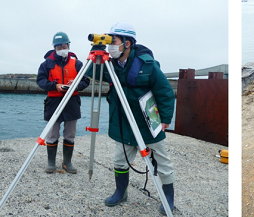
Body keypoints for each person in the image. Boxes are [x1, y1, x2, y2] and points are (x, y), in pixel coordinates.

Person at [90, 22, 177, 215]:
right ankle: (121, 191)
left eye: (114, 41)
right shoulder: (110, 64)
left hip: (148, 120)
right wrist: (96, 54)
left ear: (127, 43)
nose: (111, 45)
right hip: (123, 120)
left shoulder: (147, 64)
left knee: (162, 162)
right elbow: (91, 73)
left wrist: (165, 118)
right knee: (120, 160)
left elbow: (164, 91)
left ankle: (168, 197)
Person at [36, 31, 90, 174]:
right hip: (53, 103)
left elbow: (86, 81)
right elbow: (40, 81)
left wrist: (76, 84)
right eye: (58, 47)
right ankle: (51, 162)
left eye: (64, 46)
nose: (61, 49)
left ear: (68, 46)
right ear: (54, 48)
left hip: (72, 103)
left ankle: (67, 162)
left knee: (70, 134)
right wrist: (55, 86)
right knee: (52, 134)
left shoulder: (77, 64)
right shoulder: (46, 64)